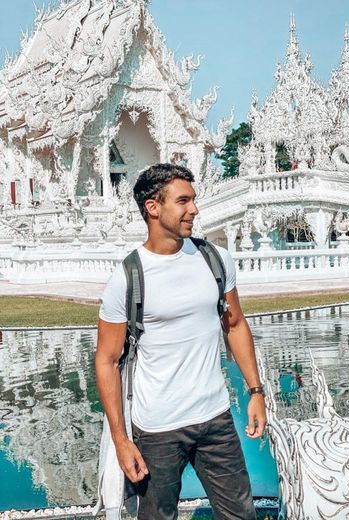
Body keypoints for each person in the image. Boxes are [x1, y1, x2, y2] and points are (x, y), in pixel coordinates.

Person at [95, 163, 267, 520]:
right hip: (158, 427)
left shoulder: (214, 259)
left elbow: (234, 324)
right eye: (183, 200)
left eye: (194, 200)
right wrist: (121, 439)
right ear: (153, 208)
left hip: (215, 417)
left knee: (242, 515)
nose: (194, 209)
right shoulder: (127, 278)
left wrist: (255, 391)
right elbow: (107, 361)